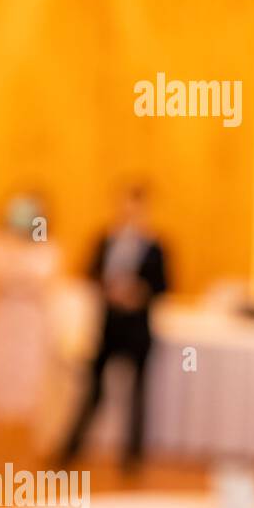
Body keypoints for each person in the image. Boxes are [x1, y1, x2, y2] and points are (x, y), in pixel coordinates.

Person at [57, 184, 168, 471]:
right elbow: (89, 271)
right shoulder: (106, 240)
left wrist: (138, 292)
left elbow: (164, 285)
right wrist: (109, 289)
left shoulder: (156, 246)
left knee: (138, 395)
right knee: (93, 390)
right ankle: (71, 449)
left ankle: (133, 457)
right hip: (109, 327)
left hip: (138, 329)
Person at [0, 193, 60, 426]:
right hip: (4, 319)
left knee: (29, 377)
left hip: (31, 321)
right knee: (1, 376)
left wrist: (17, 279)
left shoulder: (47, 248)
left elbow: (42, 283)